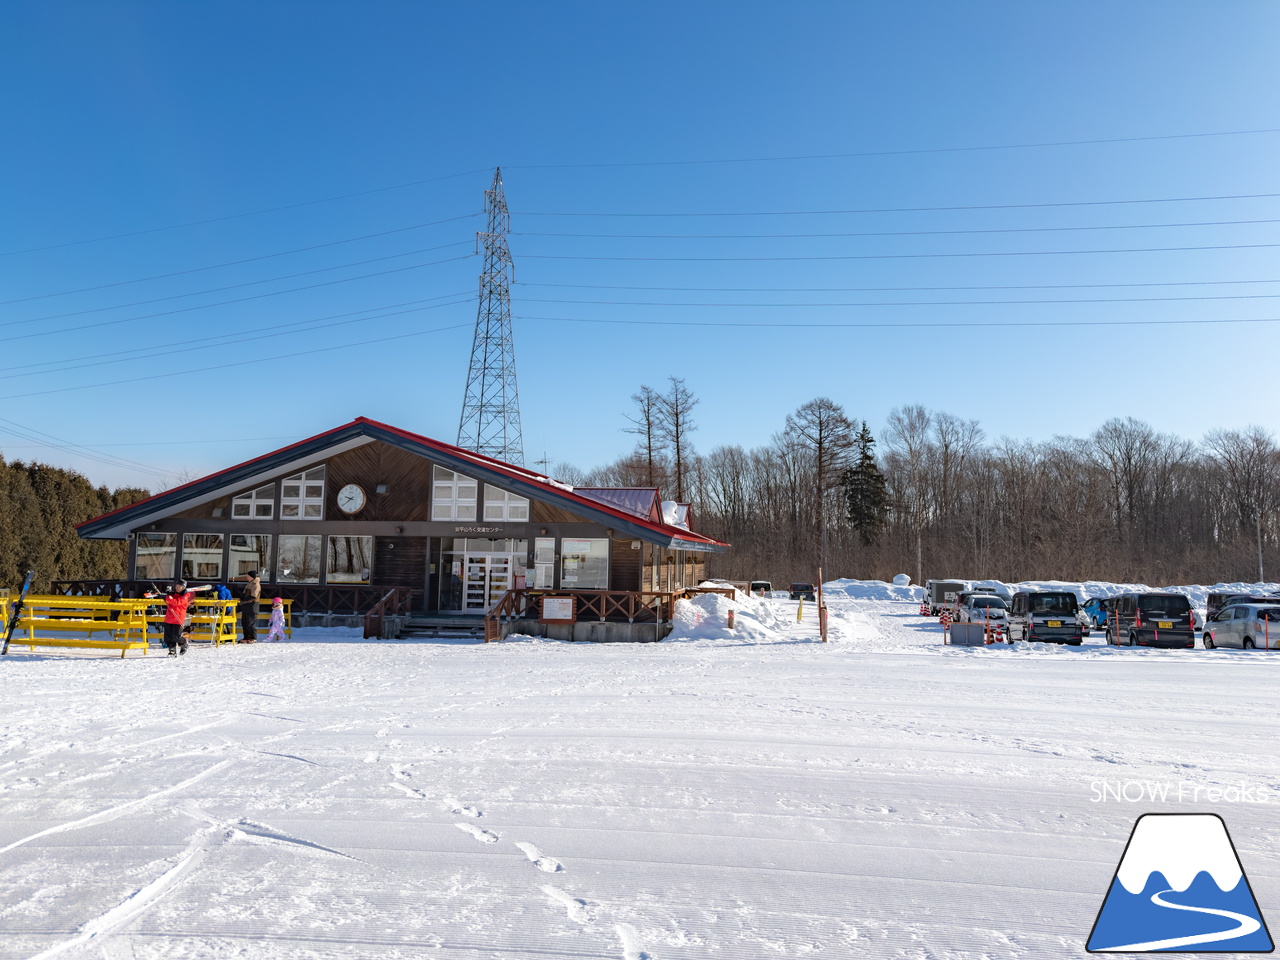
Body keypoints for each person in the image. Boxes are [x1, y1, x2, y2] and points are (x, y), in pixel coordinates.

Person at [144, 581, 213, 656]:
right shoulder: (174, 594)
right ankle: (172, 651)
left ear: (183, 587)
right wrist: (167, 595)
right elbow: (169, 602)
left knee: (176, 637)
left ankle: (183, 644)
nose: (177, 588)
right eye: (176, 586)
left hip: (178, 619)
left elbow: (176, 602)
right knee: (168, 638)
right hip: (169, 618)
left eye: (179, 586)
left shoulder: (186, 596)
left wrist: (168, 597)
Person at [232, 570, 261, 643]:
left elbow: (253, 596)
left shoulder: (256, 585)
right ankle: (246, 637)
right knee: (244, 623)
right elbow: (244, 593)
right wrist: (241, 599)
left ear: (252, 577)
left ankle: (253, 638)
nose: (247, 578)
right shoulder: (249, 584)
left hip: (252, 606)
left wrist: (243, 601)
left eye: (248, 576)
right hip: (246, 606)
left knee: (250, 623)